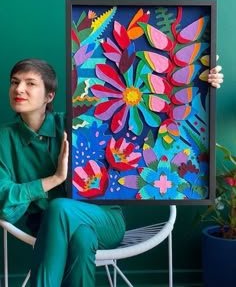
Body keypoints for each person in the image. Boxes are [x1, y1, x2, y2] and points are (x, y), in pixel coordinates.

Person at [0, 58, 223, 287]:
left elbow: (147, 114)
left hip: (104, 219)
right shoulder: (3, 139)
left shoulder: (77, 123)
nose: (19, 89)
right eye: (14, 82)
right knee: (81, 238)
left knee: (60, 208)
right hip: (46, 227)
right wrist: (54, 179)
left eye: (30, 83)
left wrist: (198, 84)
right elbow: (2, 198)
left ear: (49, 96)